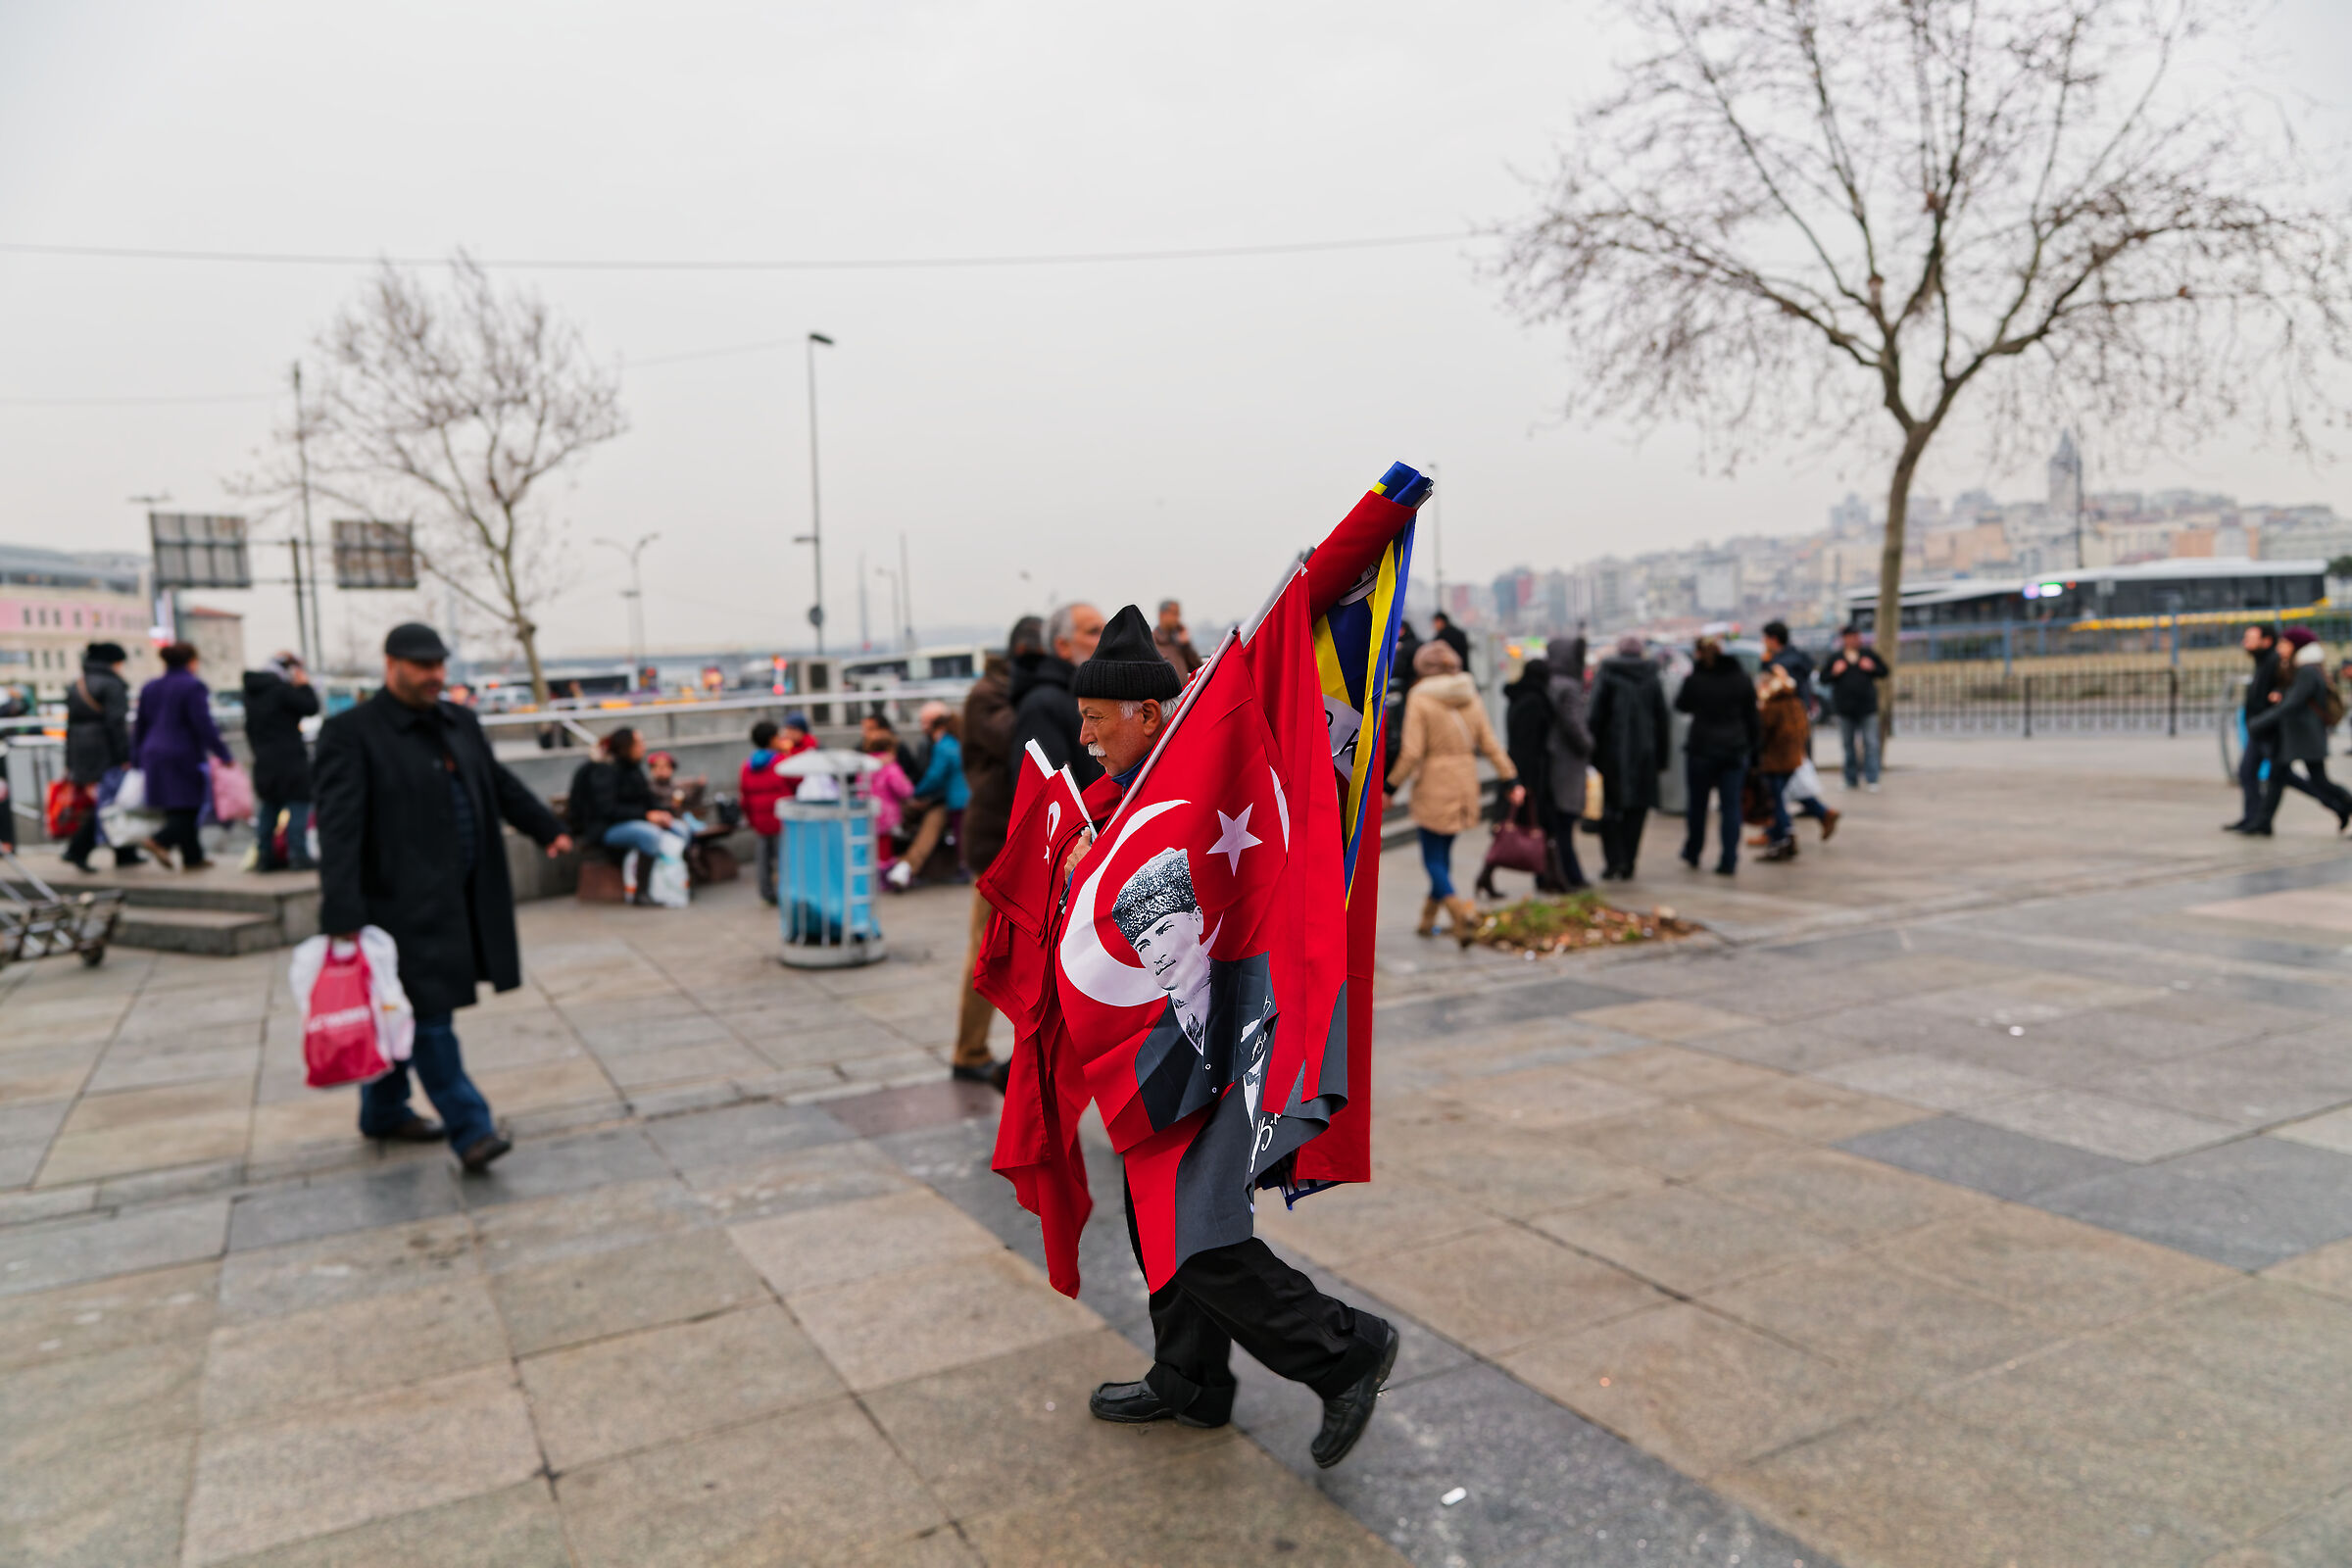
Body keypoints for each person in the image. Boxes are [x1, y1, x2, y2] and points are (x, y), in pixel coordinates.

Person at [1067, 606, 1397, 1468]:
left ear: (1147, 714)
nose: (1087, 736)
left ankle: (1344, 1349)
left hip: (1232, 1033)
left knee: (1200, 1234)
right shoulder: (1132, 789)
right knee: (1157, 1220)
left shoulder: (1207, 764)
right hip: (1169, 1042)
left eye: (1097, 719)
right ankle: (1190, 1380)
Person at [314, 622, 572, 1172]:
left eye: (439, 665)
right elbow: (339, 830)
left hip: (461, 900)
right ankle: (471, 1128)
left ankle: (383, 1111)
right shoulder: (350, 734)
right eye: (422, 666)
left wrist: (546, 827)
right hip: (395, 907)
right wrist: (342, 912)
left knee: (402, 1011)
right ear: (391, 665)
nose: (435, 676)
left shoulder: (459, 722)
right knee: (430, 1017)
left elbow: (496, 784)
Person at [951, 616, 1042, 1090]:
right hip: (993, 842)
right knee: (985, 950)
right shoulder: (988, 694)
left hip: (1016, 838)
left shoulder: (1006, 690)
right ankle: (969, 1051)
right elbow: (1020, 737)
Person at [1388, 639, 1520, 946]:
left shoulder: (1419, 698)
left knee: (1432, 858)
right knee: (1443, 854)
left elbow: (1411, 752)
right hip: (1464, 782)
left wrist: (1390, 787)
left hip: (1434, 782)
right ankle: (1427, 920)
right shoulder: (1469, 695)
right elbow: (1490, 742)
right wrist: (1511, 779)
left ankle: (1459, 913)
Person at [131, 642, 232, 871]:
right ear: (191, 661)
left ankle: (192, 857)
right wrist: (223, 753)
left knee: (175, 807)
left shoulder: (150, 687)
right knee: (190, 806)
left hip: (152, 752)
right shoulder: (192, 686)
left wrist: (136, 757)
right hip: (182, 753)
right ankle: (160, 840)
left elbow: (140, 725)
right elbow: (203, 724)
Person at [2243, 630, 2352, 836]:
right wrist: (2281, 694)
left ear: (2297, 646)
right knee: (2277, 776)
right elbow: (2293, 696)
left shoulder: (2308, 671)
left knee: (2320, 780)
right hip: (2294, 734)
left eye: (2285, 643)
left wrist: (2260, 722)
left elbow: (2294, 703)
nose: (2280, 647)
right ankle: (2263, 822)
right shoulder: (2299, 668)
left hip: (2307, 735)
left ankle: (2345, 806)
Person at [1675, 635, 1758, 876]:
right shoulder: (1740, 678)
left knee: (1697, 806)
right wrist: (1754, 751)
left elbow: (1681, 705)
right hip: (1734, 748)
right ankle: (1729, 858)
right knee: (1731, 806)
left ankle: (1693, 851)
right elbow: (1752, 718)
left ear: (1698, 653)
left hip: (1701, 748)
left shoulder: (1696, 679)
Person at [1588, 636, 1669, 880]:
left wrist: (1590, 753)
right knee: (1637, 811)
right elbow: (1661, 720)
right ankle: (1629, 861)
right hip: (1645, 754)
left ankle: (1613, 861)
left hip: (1609, 754)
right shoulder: (1651, 675)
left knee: (1609, 809)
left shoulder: (1607, 674)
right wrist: (1661, 758)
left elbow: (1594, 717)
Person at [1490, 658, 1568, 897]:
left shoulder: (1520, 697)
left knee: (1521, 827)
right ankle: (1553, 878)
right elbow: (1528, 744)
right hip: (1531, 775)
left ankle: (1548, 877)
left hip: (1524, 771)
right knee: (1533, 827)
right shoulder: (1533, 701)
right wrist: (1526, 782)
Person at [61, 642, 141, 872]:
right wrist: (125, 756)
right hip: (104, 751)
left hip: (81, 751)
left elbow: (69, 726)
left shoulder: (77, 684)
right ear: (114, 662)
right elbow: (117, 724)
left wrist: (69, 761)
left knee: (110, 801)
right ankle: (78, 849)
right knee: (111, 803)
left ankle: (125, 852)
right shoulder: (112, 684)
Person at [1012, 601, 1105, 789]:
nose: (1107, 639)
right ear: (1063, 646)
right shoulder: (1042, 705)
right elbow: (1047, 797)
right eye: (1094, 632)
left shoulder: (1090, 696)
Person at [243, 652, 321, 871]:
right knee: (299, 802)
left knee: (270, 805)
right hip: (290, 758)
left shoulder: (253, 693)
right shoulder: (282, 690)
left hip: (264, 759)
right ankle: (298, 855)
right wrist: (304, 685)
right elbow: (311, 707)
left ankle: (264, 856)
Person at [1753, 663, 1837, 859]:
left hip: (1775, 761)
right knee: (1782, 796)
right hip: (1791, 759)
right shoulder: (1795, 703)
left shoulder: (1771, 706)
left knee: (1774, 801)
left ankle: (1783, 837)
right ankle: (1819, 815)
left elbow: (1761, 735)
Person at [888, 701, 968, 890]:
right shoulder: (956, 742)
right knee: (960, 834)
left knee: (956, 832)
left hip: (951, 800)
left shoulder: (942, 746)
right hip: (956, 798)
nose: (925, 728)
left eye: (928, 723)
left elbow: (934, 776)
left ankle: (904, 867)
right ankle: (905, 867)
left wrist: (915, 794)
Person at [741, 716, 814, 906]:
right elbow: (798, 781)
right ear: (773, 739)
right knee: (785, 859)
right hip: (781, 819)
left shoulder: (747, 766)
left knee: (764, 860)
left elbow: (745, 797)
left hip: (760, 820)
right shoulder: (781, 761)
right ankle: (788, 891)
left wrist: (751, 820)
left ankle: (767, 893)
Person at [2227, 624, 2292, 831]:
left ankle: (2340, 804)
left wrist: (2278, 693)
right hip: (2258, 729)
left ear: (2266, 641)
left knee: (2285, 776)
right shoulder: (2263, 661)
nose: (2245, 642)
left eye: (2250, 638)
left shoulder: (2274, 662)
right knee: (2247, 772)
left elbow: (2287, 687)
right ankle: (2253, 818)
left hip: (2269, 730)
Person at [1544, 636, 1593, 890]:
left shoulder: (1548, 682)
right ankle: (1570, 875)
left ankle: (1551, 873)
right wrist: (1589, 744)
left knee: (1555, 825)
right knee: (1565, 825)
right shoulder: (1569, 687)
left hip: (1552, 761)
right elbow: (1574, 725)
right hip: (1568, 764)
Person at [1823, 625, 1888, 791]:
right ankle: (1850, 779)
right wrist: (1834, 672)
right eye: (1849, 636)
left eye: (1855, 636)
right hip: (1845, 708)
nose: (1853, 640)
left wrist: (1872, 668)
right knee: (1848, 745)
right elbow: (1823, 678)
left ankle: (1872, 778)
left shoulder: (1868, 654)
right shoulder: (1836, 657)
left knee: (1871, 743)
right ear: (1844, 639)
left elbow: (1884, 671)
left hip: (1867, 707)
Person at [1153, 599, 1202, 676]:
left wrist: (1186, 645)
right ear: (1162, 615)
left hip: (1184, 688)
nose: (1177, 618)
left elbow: (1198, 669)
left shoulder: (1179, 643)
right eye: (1174, 613)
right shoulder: (1152, 642)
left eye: (1178, 614)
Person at [1429, 611, 1472, 677]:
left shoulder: (1440, 638)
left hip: (1450, 674)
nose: (1434, 626)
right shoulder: (1460, 633)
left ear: (1440, 621)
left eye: (1435, 623)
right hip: (1464, 671)